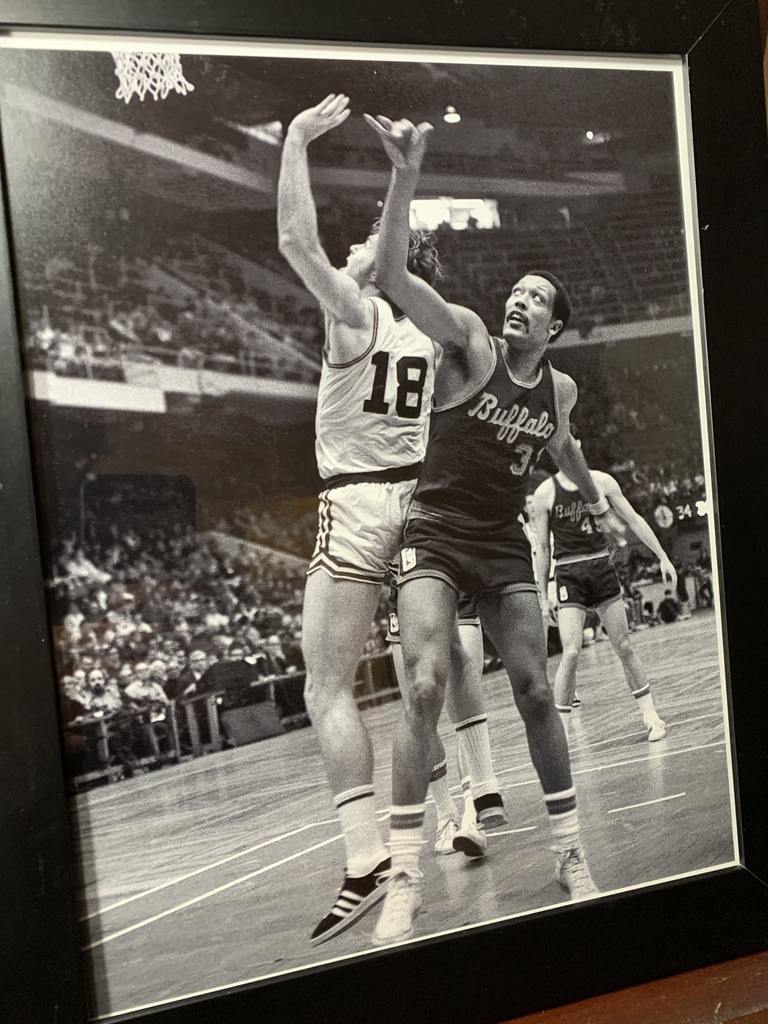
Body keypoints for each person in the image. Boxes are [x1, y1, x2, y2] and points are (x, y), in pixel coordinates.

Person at [363, 114, 627, 945]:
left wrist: (596, 501)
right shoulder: (471, 342)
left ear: (555, 328)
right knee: (424, 685)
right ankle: (405, 877)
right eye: (517, 290)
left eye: (537, 298)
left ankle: (570, 852)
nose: (519, 299)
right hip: (436, 530)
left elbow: (564, 447)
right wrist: (406, 174)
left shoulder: (560, 391)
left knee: (537, 692)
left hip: (502, 541)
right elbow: (395, 276)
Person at [277, 94, 445, 946]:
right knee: (426, 678)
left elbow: (294, 241)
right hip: (421, 503)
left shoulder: (356, 312)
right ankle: (458, 803)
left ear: (380, 262)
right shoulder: (434, 338)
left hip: (356, 504)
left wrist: (296, 142)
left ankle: (365, 859)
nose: (349, 249)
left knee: (326, 687)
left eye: (364, 244)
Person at [531, 431, 676, 742]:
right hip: (569, 573)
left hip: (601, 568)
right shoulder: (545, 493)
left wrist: (662, 556)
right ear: (553, 452)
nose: (566, 450)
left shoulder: (602, 482)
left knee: (623, 646)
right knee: (571, 652)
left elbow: (633, 519)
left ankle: (651, 716)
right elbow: (542, 548)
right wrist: (542, 596)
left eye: (570, 443)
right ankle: (560, 734)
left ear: (578, 446)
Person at [386, 576, 506, 860]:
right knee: (417, 710)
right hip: (404, 592)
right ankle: (445, 815)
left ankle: (472, 810)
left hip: (452, 582)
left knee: (464, 700)